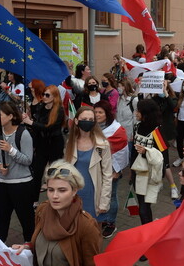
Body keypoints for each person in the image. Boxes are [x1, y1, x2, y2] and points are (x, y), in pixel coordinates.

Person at [12, 160, 104, 266]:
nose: (55, 196)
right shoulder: (42, 211)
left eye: (62, 190)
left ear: (74, 190)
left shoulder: (85, 225)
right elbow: (42, 243)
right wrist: (28, 246)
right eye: (50, 189)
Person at [0, 102, 35, 243]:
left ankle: (31, 249)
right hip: (2, 183)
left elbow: (28, 160)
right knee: (1, 220)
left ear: (10, 116)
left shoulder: (23, 134)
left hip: (21, 184)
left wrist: (11, 150)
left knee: (27, 221)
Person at [64, 106, 112, 221]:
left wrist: (104, 202)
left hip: (94, 196)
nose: (88, 122)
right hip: (74, 196)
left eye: (91, 120)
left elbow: (107, 175)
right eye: (84, 119)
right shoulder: (70, 143)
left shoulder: (102, 145)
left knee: (94, 233)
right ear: (76, 121)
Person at [23, 85, 65, 201]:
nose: (44, 97)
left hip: (55, 144)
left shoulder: (59, 110)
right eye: (43, 95)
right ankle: (34, 201)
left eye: (47, 95)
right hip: (42, 144)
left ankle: (57, 199)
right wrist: (28, 121)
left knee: (55, 174)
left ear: (55, 97)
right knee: (37, 173)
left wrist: (31, 123)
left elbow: (49, 128)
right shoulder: (41, 107)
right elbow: (37, 126)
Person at [93, 100, 129, 238]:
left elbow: (122, 151)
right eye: (95, 112)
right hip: (96, 168)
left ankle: (110, 223)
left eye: (100, 112)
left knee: (111, 196)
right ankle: (99, 218)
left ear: (107, 113)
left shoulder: (117, 129)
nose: (97, 115)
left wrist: (117, 171)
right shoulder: (92, 126)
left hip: (111, 170)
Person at [131, 99, 165, 227]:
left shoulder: (157, 131)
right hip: (137, 172)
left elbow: (163, 156)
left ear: (145, 113)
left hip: (150, 174)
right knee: (142, 206)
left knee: (144, 208)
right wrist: (131, 171)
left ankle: (147, 232)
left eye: (138, 111)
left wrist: (147, 152)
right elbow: (133, 152)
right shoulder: (137, 127)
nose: (135, 113)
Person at [115, 78, 139, 154]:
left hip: (129, 133)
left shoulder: (134, 100)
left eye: (119, 86)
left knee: (129, 154)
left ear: (124, 87)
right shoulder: (119, 99)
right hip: (120, 132)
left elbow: (135, 118)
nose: (118, 88)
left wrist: (133, 133)